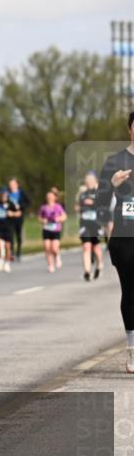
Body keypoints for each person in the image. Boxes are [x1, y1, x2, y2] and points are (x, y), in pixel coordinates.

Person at [92, 111, 134, 373]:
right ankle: (132, 350)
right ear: (130, 129)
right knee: (131, 292)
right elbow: (99, 202)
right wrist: (112, 183)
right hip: (125, 237)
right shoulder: (116, 162)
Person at [75, 172, 104, 282]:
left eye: (91, 181)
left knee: (95, 247)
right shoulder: (82, 194)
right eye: (87, 181)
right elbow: (77, 206)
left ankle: (99, 265)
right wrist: (78, 208)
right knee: (86, 246)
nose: (89, 183)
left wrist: (92, 203)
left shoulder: (99, 193)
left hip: (96, 224)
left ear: (95, 181)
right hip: (84, 224)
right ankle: (87, 271)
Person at [0, 187, 21, 273]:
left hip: (8, 227)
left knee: (8, 246)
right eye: (2, 194)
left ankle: (7, 263)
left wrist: (13, 213)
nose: (3, 196)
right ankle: (0, 259)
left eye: (5, 194)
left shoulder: (12, 203)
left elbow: (19, 213)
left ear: (7, 194)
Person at [38, 190, 67, 273]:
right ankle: (50, 265)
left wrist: (59, 219)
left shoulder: (58, 207)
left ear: (54, 198)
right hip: (46, 229)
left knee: (54, 248)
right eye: (48, 197)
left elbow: (64, 216)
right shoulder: (43, 207)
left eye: (51, 197)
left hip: (55, 229)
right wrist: (42, 220)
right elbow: (39, 217)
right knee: (47, 248)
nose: (49, 198)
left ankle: (57, 256)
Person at [6, 177, 30, 261]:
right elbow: (4, 204)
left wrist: (21, 208)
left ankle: (19, 252)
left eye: (13, 184)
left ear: (17, 184)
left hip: (19, 217)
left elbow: (28, 202)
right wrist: (8, 211)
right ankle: (11, 252)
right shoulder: (7, 194)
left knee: (18, 234)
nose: (11, 186)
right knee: (10, 234)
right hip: (10, 217)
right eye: (10, 184)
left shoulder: (22, 193)